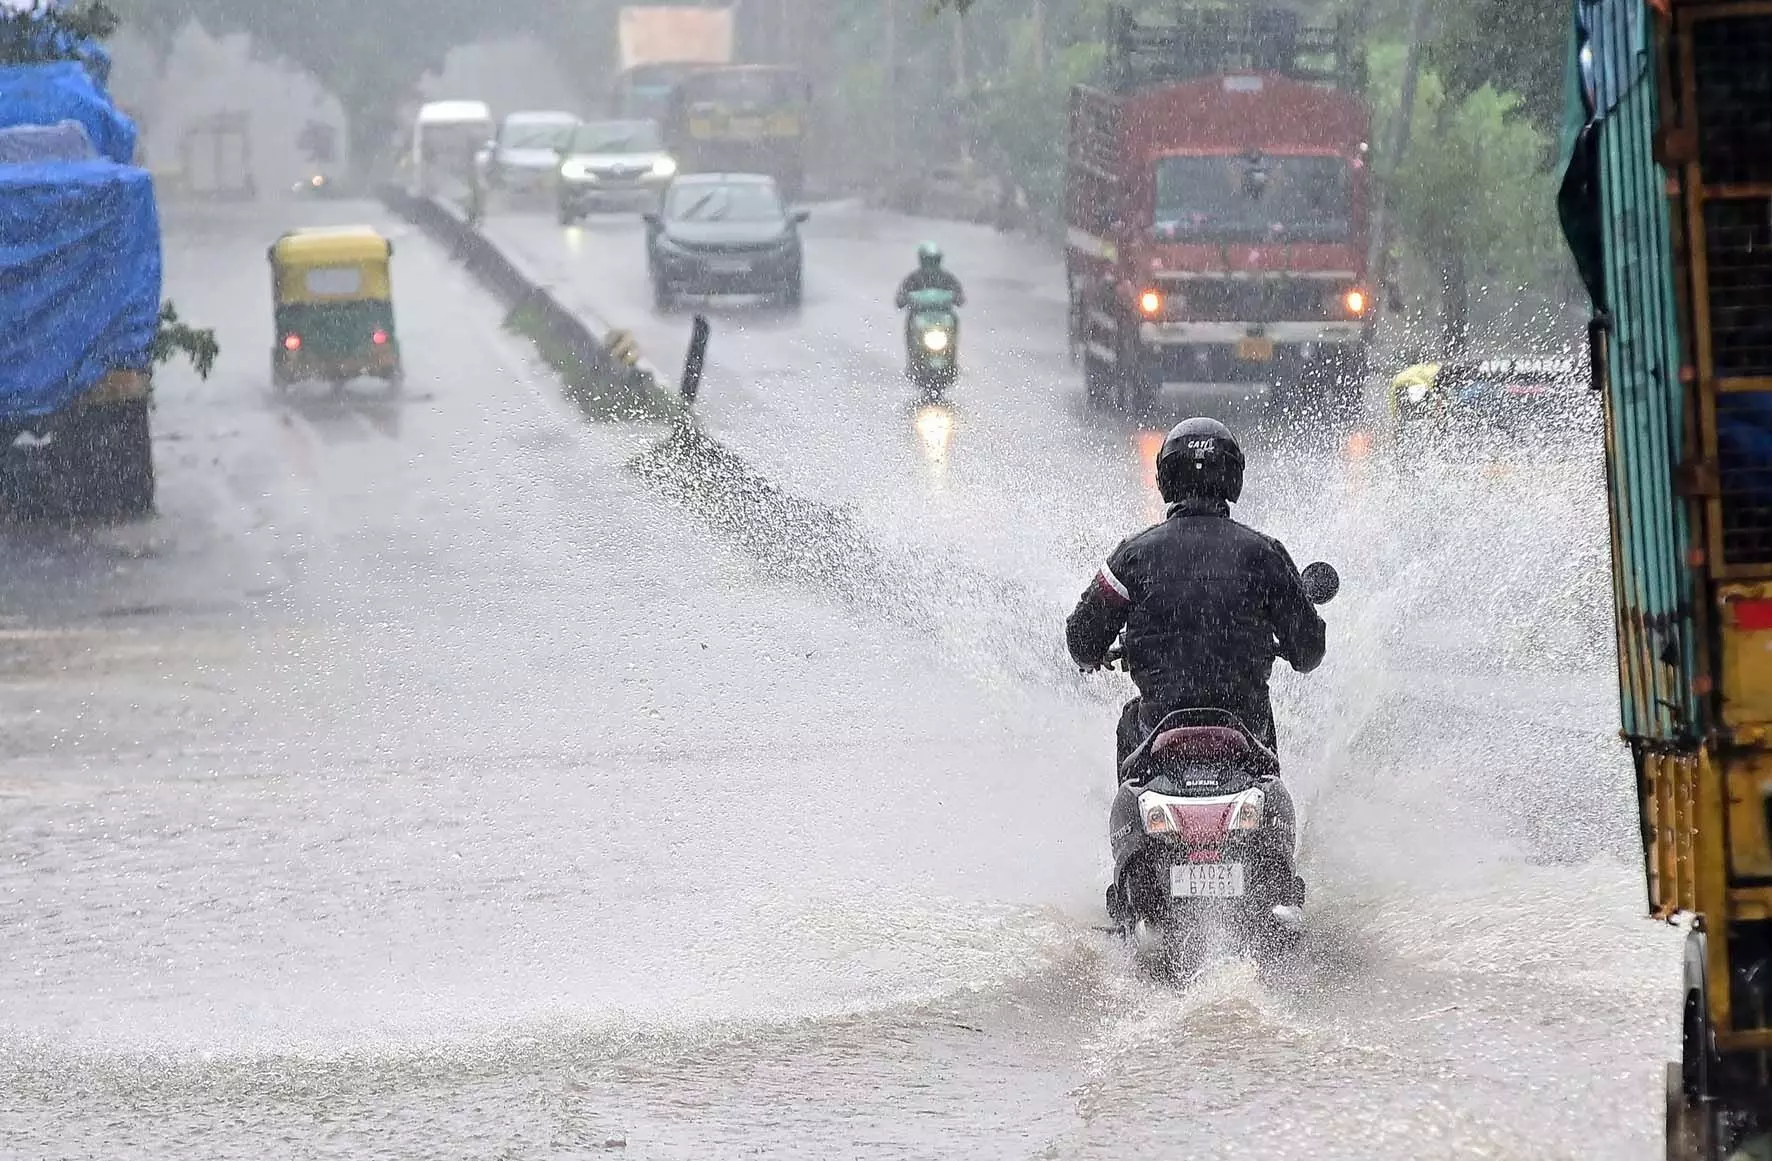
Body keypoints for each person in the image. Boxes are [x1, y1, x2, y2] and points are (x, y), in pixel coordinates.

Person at [1065, 417, 1326, 777]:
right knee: (1263, 719)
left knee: (1130, 720)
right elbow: (1309, 652)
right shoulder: (1266, 554)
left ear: (1165, 479)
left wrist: (1095, 654)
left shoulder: (1133, 554)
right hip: (1246, 727)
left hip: (1158, 727)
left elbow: (1081, 640)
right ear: (1233, 477)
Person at [894, 242, 965, 371]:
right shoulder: (913, 278)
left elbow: (960, 297)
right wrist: (905, 298)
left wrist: (956, 297)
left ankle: (951, 358)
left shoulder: (947, 278)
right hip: (920, 318)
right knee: (911, 324)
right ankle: (913, 359)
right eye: (928, 260)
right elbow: (900, 298)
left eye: (933, 260)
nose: (931, 263)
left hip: (943, 318)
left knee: (954, 323)